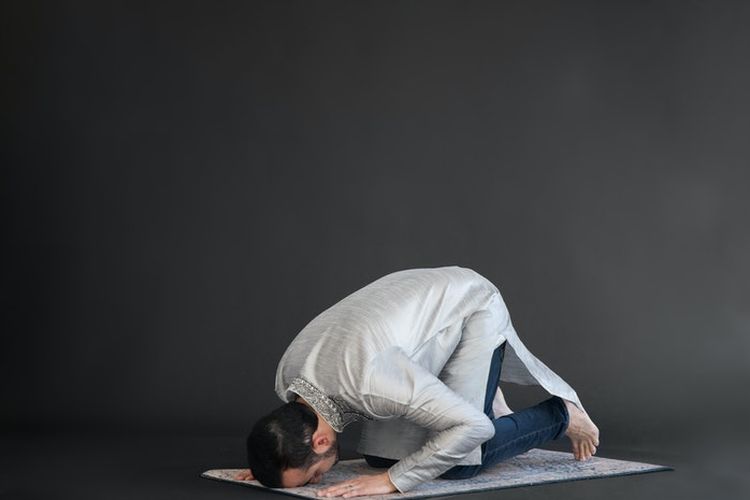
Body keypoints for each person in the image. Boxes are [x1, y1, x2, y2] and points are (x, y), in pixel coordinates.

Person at [236, 266, 599, 497]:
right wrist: (271, 462)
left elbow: (472, 427)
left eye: (311, 476)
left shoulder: (371, 383)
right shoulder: (288, 380)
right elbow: (280, 435)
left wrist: (392, 482)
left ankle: (560, 414)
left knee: (460, 463)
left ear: (319, 439)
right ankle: (477, 394)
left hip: (469, 307)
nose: (317, 483)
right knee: (380, 457)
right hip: (411, 314)